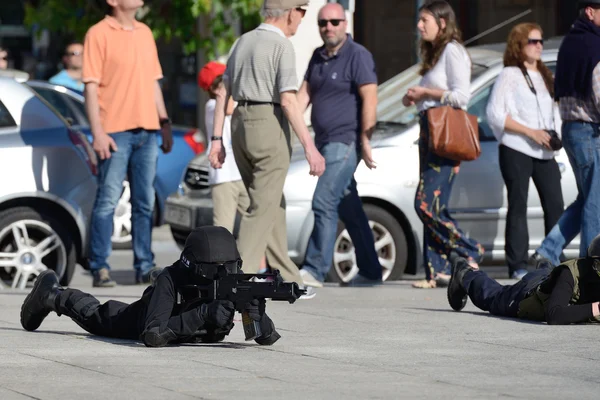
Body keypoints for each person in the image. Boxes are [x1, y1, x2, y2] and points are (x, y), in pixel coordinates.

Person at [208, 0, 325, 287]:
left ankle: (288, 278)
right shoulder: (282, 45)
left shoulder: (242, 41)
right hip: (267, 122)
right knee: (260, 208)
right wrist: (310, 147)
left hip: (239, 125)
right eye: (302, 12)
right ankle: (235, 286)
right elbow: (288, 100)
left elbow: (223, 93)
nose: (301, 19)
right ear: (289, 13)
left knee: (272, 201)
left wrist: (215, 141)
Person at [20, 226, 282, 347]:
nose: (225, 274)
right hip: (138, 320)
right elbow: (153, 336)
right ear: (196, 268)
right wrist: (201, 315)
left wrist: (256, 314)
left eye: (231, 268)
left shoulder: (231, 283)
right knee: (99, 316)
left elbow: (265, 338)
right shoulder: (172, 280)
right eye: (217, 270)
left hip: (179, 319)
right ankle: (51, 294)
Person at [83, 0, 174, 287]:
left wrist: (165, 120)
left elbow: (152, 81)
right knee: (108, 201)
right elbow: (90, 86)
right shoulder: (97, 33)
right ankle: (100, 267)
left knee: (145, 203)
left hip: (148, 130)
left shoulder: (145, 32)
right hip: (114, 132)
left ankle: (144, 266)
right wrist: (97, 132)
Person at [296, 3, 382, 292]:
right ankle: (370, 270)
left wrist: (366, 140)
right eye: (323, 23)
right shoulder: (318, 57)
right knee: (349, 207)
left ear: (345, 23)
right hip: (322, 142)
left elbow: (370, 99)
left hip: (345, 142)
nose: (329, 27)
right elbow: (302, 97)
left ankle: (314, 269)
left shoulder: (358, 56)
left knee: (323, 201)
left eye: (334, 22)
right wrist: (289, 127)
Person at [402, 0, 484, 289]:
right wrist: (416, 97)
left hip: (444, 134)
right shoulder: (436, 53)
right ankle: (434, 272)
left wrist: (426, 91)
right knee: (435, 205)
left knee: (424, 204)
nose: (419, 25)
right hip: (430, 131)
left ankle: (470, 248)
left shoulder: (453, 51)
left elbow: (462, 97)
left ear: (443, 23)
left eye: (425, 20)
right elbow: (436, 95)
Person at [486, 23, 564, 280]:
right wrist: (531, 132)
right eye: (533, 41)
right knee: (518, 204)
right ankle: (517, 264)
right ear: (519, 45)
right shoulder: (509, 74)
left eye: (541, 41)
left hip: (545, 151)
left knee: (555, 205)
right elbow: (495, 114)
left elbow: (555, 112)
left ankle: (552, 258)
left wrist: (555, 136)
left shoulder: (545, 75)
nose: (539, 45)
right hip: (516, 147)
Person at [529, 0, 600, 267]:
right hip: (590, 132)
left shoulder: (570, 42)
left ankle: (548, 250)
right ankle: (591, 263)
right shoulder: (594, 46)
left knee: (587, 199)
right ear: (590, 12)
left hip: (571, 128)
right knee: (596, 202)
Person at [198, 61, 268, 274]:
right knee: (223, 229)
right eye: (223, 82)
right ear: (214, 88)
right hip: (223, 177)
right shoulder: (212, 106)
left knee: (256, 221)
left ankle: (260, 269)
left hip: (241, 173)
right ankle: (221, 273)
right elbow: (228, 107)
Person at [447, 233, 600, 325]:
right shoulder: (571, 274)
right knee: (494, 298)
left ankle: (546, 268)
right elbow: (554, 315)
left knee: (549, 275)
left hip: (549, 281)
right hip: (527, 293)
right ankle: (466, 274)